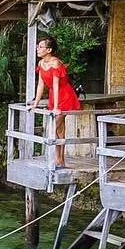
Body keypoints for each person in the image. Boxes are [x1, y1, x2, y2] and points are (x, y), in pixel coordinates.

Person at [28, 36, 81, 168]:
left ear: (49, 50)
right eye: (37, 46)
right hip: (54, 95)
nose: (37, 49)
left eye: (41, 47)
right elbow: (41, 84)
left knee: (54, 127)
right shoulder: (41, 64)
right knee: (60, 129)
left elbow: (57, 85)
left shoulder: (55, 63)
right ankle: (60, 160)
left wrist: (56, 107)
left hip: (64, 95)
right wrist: (35, 102)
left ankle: (57, 159)